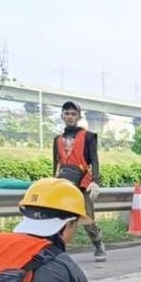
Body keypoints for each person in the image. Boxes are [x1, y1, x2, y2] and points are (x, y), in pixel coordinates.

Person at [52, 101, 106, 263]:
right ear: (62, 116)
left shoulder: (88, 136)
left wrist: (95, 181)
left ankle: (98, 243)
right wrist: (53, 182)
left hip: (82, 181)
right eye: (67, 113)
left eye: (73, 114)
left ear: (79, 117)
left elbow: (94, 160)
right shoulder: (57, 140)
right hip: (63, 182)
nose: (70, 117)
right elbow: (56, 163)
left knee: (87, 217)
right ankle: (58, 249)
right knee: (61, 217)